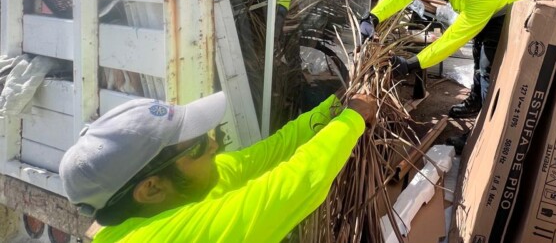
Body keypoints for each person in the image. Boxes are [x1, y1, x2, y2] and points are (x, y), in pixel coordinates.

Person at [59, 91, 377, 242]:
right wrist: (351, 121)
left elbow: (271, 152)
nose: (214, 145)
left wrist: (332, 108)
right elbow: (291, 188)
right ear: (150, 188)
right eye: (198, 146)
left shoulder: (190, 186)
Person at [360, 0, 533, 128]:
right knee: (477, 53)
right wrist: (373, 16)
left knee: (488, 67)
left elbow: (453, 39)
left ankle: (484, 130)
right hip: (483, 2)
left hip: (510, 6)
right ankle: (475, 102)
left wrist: (411, 64)